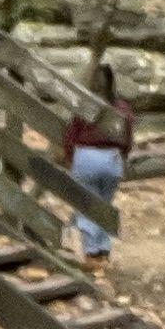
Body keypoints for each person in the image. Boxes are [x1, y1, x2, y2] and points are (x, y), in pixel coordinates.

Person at [61, 62, 134, 260]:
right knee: (105, 204)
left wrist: (70, 157)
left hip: (87, 157)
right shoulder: (122, 107)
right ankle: (104, 248)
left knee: (87, 205)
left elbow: (71, 135)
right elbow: (128, 138)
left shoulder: (85, 105)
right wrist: (123, 156)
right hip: (112, 158)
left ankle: (92, 251)